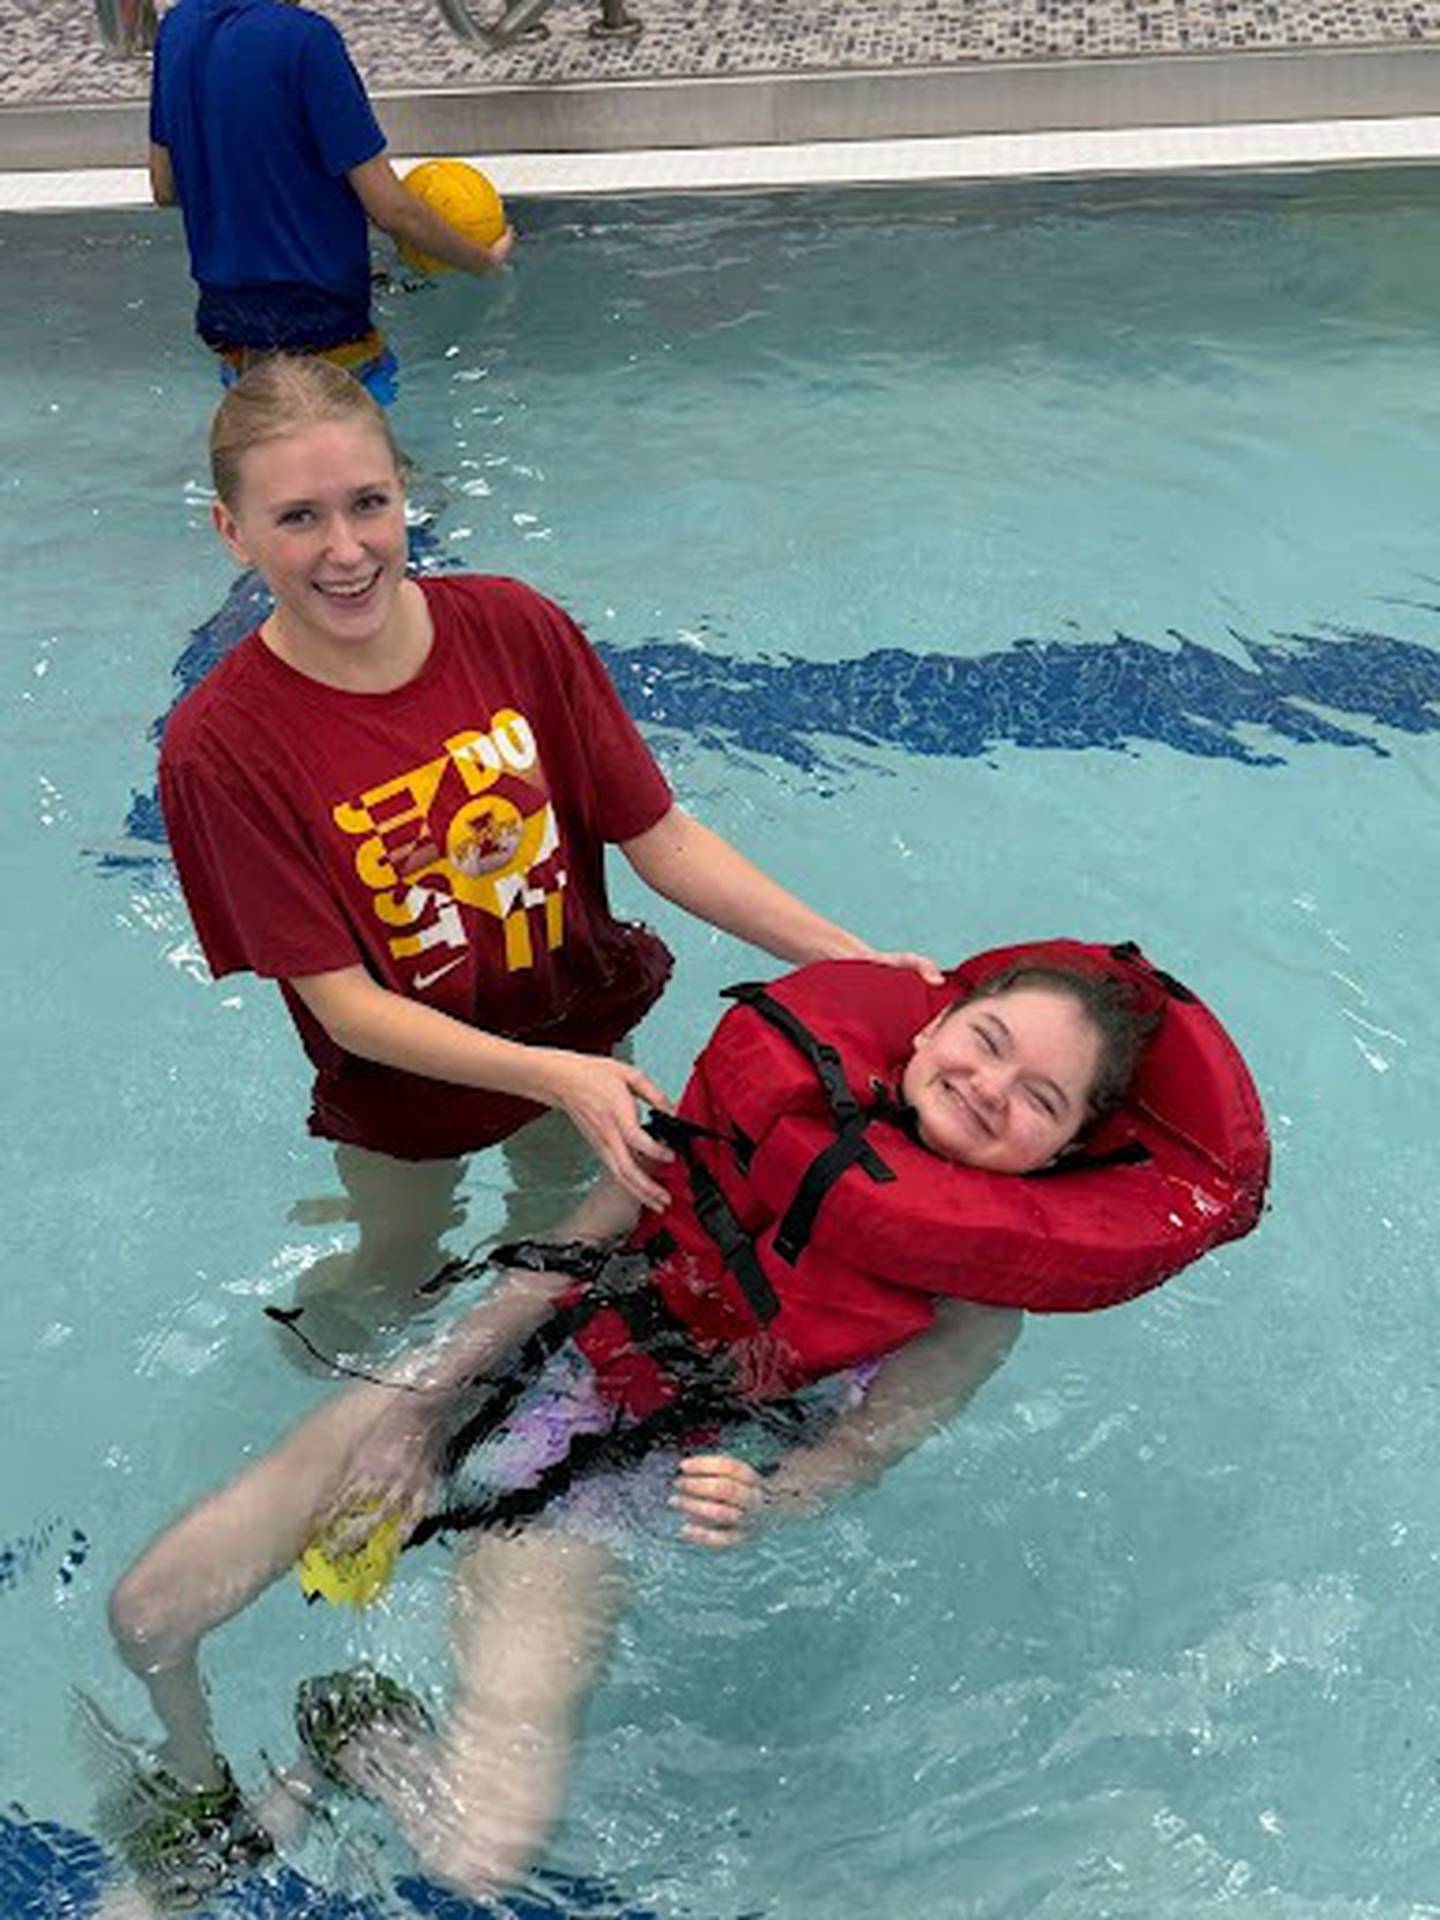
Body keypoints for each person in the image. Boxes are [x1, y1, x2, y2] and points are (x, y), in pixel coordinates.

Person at [102, 944, 1265, 1911]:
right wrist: (421, 1410)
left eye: (1040, 1100)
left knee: (476, 1853)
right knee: (149, 1614)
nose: (992, 1086)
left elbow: (857, 1453)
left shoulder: (971, 1314)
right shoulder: (748, 1109)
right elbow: (556, 1268)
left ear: (1058, 1157)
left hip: (604, 1485)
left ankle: (360, 1744)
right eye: (990, 1042)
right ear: (933, 1026)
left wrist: (768, 1498)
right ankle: (204, 1792)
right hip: (501, 1376)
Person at [158, 356, 939, 1342]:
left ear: (407, 495)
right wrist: (555, 1080)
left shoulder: (515, 629)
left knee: (568, 1244)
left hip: (577, 1020)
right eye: (297, 517)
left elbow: (665, 839)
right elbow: (348, 1010)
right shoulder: (223, 745)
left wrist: (852, 961)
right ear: (233, 533)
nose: (347, 548)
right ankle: (317, 1371)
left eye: (369, 502)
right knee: (398, 1272)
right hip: (408, 1089)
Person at [148, 0, 514, 397]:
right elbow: (393, 211)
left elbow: (165, 188)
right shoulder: (307, 40)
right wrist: (484, 261)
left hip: (230, 330)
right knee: (371, 457)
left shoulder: (177, 29)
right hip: (324, 331)